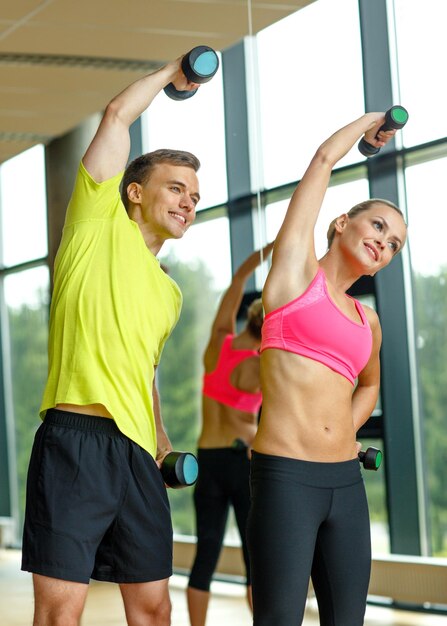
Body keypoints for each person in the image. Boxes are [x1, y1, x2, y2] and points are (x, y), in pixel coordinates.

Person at [21, 54, 202, 626]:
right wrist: (175, 70)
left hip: (136, 455)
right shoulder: (94, 223)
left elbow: (142, 371)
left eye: (194, 197)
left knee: (154, 607)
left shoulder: (169, 292)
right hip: (75, 441)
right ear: (132, 193)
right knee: (60, 611)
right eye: (175, 188)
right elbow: (118, 114)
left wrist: (162, 440)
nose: (187, 203)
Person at [246, 113, 408, 625]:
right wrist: (369, 125)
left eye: (395, 244)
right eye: (378, 225)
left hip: (345, 483)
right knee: (279, 619)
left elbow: (371, 383)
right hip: (286, 478)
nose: (384, 242)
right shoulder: (295, 277)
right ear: (342, 223)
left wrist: (345, 428)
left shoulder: (369, 320)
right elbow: (321, 161)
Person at [187, 242, 274, 626]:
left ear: (247, 319)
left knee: (206, 554)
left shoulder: (218, 343)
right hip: (242, 461)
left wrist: (263, 253)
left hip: (208, 457)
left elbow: (238, 280)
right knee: (256, 558)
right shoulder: (264, 365)